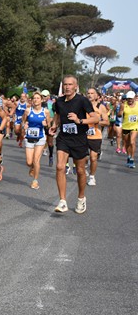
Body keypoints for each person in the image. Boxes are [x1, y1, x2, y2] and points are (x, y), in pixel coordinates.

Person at [49, 75, 98, 214]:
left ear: (76, 86)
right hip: (64, 138)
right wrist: (54, 126)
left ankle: (81, 198)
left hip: (79, 139)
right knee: (59, 167)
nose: (67, 87)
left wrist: (79, 120)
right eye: (65, 84)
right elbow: (57, 116)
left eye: (70, 84)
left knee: (81, 171)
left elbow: (95, 117)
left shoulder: (82, 100)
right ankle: (62, 201)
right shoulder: (59, 101)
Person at [21, 92, 51, 189]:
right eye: (34, 98)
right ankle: (32, 167)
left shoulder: (45, 111)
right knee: (29, 162)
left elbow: (49, 125)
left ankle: (35, 181)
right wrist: (23, 125)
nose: (36, 100)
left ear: (41, 100)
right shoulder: (28, 111)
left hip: (40, 138)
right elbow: (23, 121)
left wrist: (46, 124)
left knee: (36, 160)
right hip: (29, 137)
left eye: (38, 98)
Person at [86, 88, 109, 184]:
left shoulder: (101, 107)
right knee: (83, 158)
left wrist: (97, 121)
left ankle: (92, 176)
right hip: (83, 135)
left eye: (92, 93)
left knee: (93, 157)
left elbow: (107, 122)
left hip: (95, 135)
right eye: (88, 93)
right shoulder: (83, 105)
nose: (90, 95)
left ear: (96, 95)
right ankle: (84, 167)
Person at [119, 90, 138, 168]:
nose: (129, 100)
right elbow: (119, 115)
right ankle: (128, 156)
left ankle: (132, 159)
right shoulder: (124, 105)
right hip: (126, 126)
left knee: (132, 142)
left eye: (131, 98)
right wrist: (120, 111)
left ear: (134, 98)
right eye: (128, 98)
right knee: (126, 143)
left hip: (135, 126)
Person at [41, 90, 56, 167]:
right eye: (42, 95)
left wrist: (52, 123)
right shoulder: (38, 103)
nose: (43, 97)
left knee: (49, 142)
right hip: (40, 125)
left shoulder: (52, 104)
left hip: (49, 125)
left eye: (45, 96)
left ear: (48, 96)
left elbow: (55, 115)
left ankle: (50, 156)